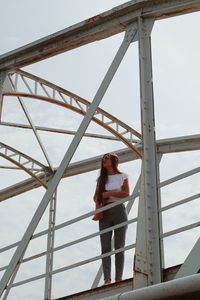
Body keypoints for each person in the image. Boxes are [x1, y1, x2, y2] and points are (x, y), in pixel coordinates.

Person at [93, 152, 130, 285]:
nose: (104, 160)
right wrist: (102, 198)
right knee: (106, 246)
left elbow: (126, 194)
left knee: (119, 246)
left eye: (107, 158)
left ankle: (118, 278)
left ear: (114, 161)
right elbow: (96, 197)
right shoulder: (101, 180)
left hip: (119, 210)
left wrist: (109, 193)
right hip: (105, 211)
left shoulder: (123, 176)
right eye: (103, 159)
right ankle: (107, 279)